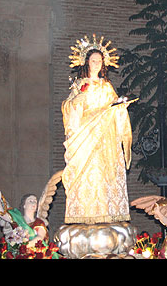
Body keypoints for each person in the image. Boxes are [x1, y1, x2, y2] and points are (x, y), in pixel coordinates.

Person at [61, 35, 133, 225]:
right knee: (88, 172)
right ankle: (87, 213)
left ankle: (108, 212)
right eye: (93, 60)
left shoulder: (107, 86)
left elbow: (113, 108)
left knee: (105, 174)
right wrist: (77, 101)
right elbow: (69, 108)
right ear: (86, 62)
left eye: (99, 61)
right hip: (86, 135)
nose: (96, 64)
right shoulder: (80, 85)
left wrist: (120, 108)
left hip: (105, 138)